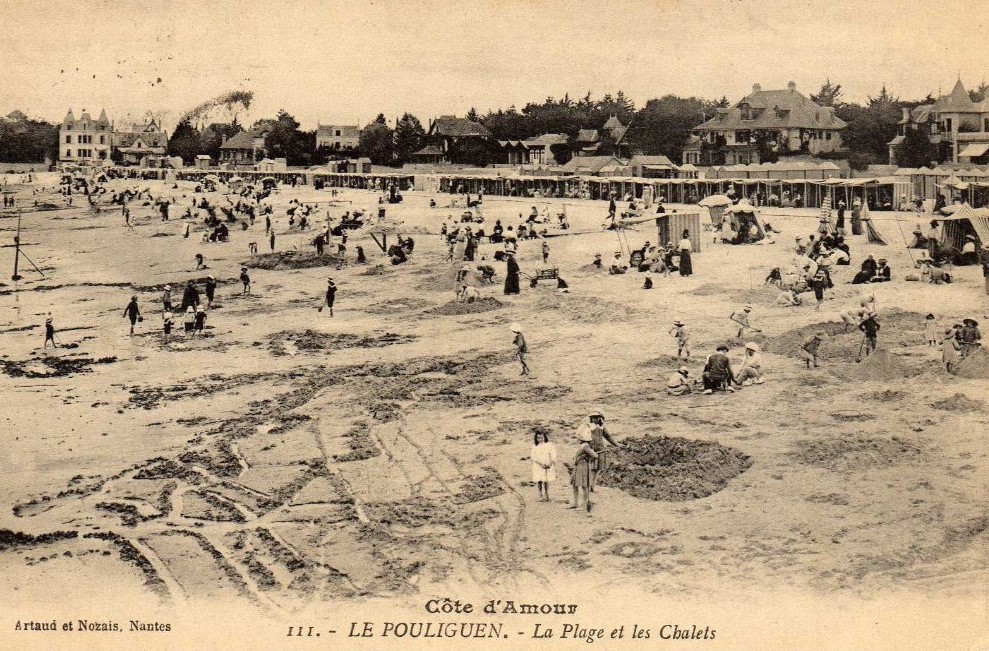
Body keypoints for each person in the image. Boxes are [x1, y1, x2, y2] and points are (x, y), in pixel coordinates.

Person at [583, 411, 617, 491]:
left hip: (600, 449)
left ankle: (593, 485)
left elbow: (608, 437)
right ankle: (588, 485)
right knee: (591, 469)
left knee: (598, 469)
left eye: (596, 417)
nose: (595, 419)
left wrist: (616, 444)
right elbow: (582, 436)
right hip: (591, 450)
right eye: (593, 417)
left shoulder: (602, 427)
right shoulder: (588, 426)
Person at [569, 426, 598, 513]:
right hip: (579, 466)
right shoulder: (584, 446)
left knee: (584, 486)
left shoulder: (585, 446)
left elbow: (595, 456)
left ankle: (583, 504)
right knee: (575, 484)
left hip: (583, 467)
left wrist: (588, 458)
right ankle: (576, 503)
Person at [530, 430, 557, 502]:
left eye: (541, 438)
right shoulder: (535, 446)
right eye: (538, 438)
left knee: (546, 480)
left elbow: (553, 454)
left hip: (547, 464)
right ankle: (540, 494)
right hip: (538, 465)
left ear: (544, 437)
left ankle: (547, 494)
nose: (540, 440)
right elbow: (533, 457)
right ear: (536, 438)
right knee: (539, 480)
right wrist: (541, 464)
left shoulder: (549, 445)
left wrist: (551, 463)